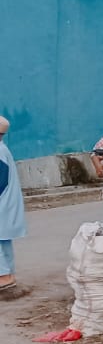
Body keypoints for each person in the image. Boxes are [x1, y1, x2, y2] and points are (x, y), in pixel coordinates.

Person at [0, 115, 24, 301]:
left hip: (2, 202)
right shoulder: (3, 149)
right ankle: (9, 277)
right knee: (4, 242)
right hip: (5, 204)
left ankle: (4, 278)